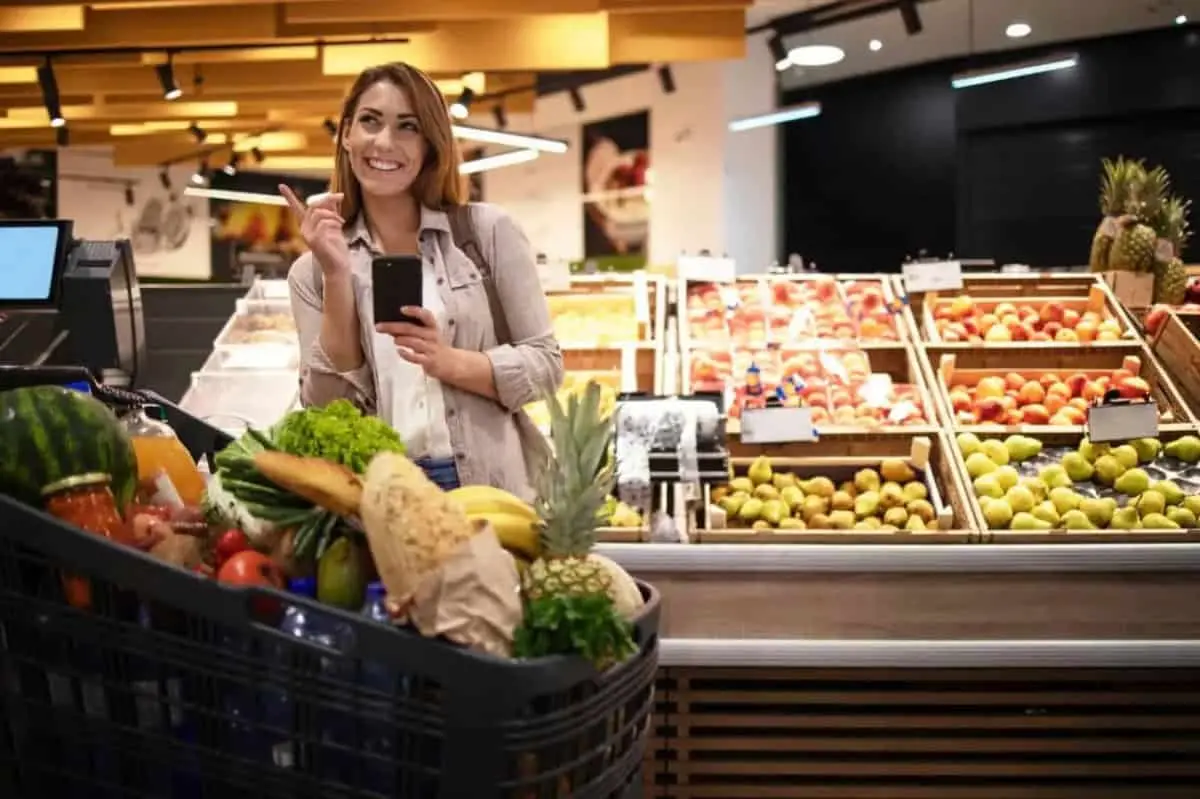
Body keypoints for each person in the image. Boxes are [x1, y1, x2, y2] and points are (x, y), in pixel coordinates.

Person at [282, 62, 562, 498]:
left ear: (431, 145)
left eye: (407, 127)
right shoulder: (311, 272)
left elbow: (546, 366)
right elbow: (324, 408)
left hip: (491, 490)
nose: (384, 142)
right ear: (346, 134)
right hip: (383, 495)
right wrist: (337, 274)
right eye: (370, 121)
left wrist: (449, 361)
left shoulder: (485, 235)